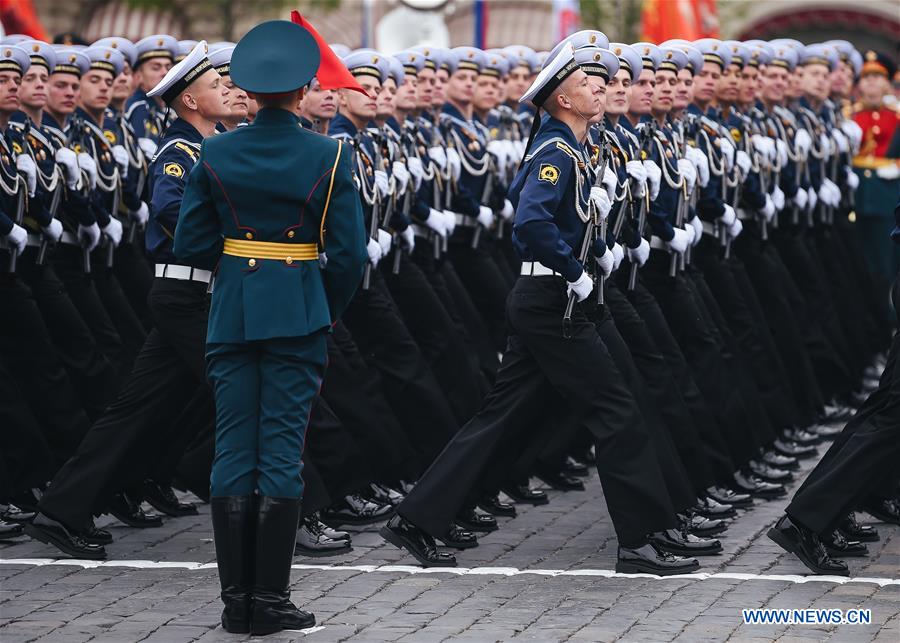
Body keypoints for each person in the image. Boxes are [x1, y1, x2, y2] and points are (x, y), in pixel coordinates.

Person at [381, 42, 698, 576]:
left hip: (563, 299)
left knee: (504, 417)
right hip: (554, 301)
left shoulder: (575, 146)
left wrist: (594, 254)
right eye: (589, 81)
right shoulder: (556, 151)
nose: (601, 85)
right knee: (616, 411)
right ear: (562, 99)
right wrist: (573, 269)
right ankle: (640, 540)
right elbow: (529, 222)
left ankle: (416, 518)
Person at [173, 20, 367, 635]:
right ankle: (271, 599)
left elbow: (193, 242)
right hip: (299, 312)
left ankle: (237, 603)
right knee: (281, 451)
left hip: (232, 311)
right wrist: (320, 306)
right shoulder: (330, 154)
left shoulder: (216, 150)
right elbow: (350, 256)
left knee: (234, 449)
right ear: (305, 87)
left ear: (249, 91)